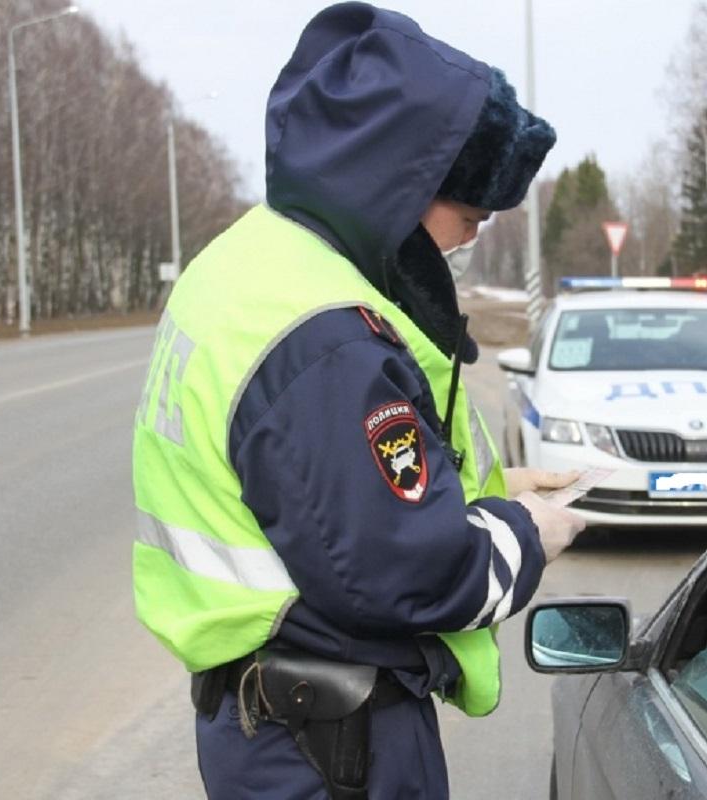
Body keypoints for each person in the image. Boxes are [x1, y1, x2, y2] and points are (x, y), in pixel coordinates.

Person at [130, 4, 586, 798]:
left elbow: (308, 489)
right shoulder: (329, 340)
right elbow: (411, 573)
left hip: (270, 727)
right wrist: (531, 532)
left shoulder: (248, 265)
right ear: (400, 182)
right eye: (468, 219)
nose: (463, 243)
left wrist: (485, 487)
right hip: (328, 749)